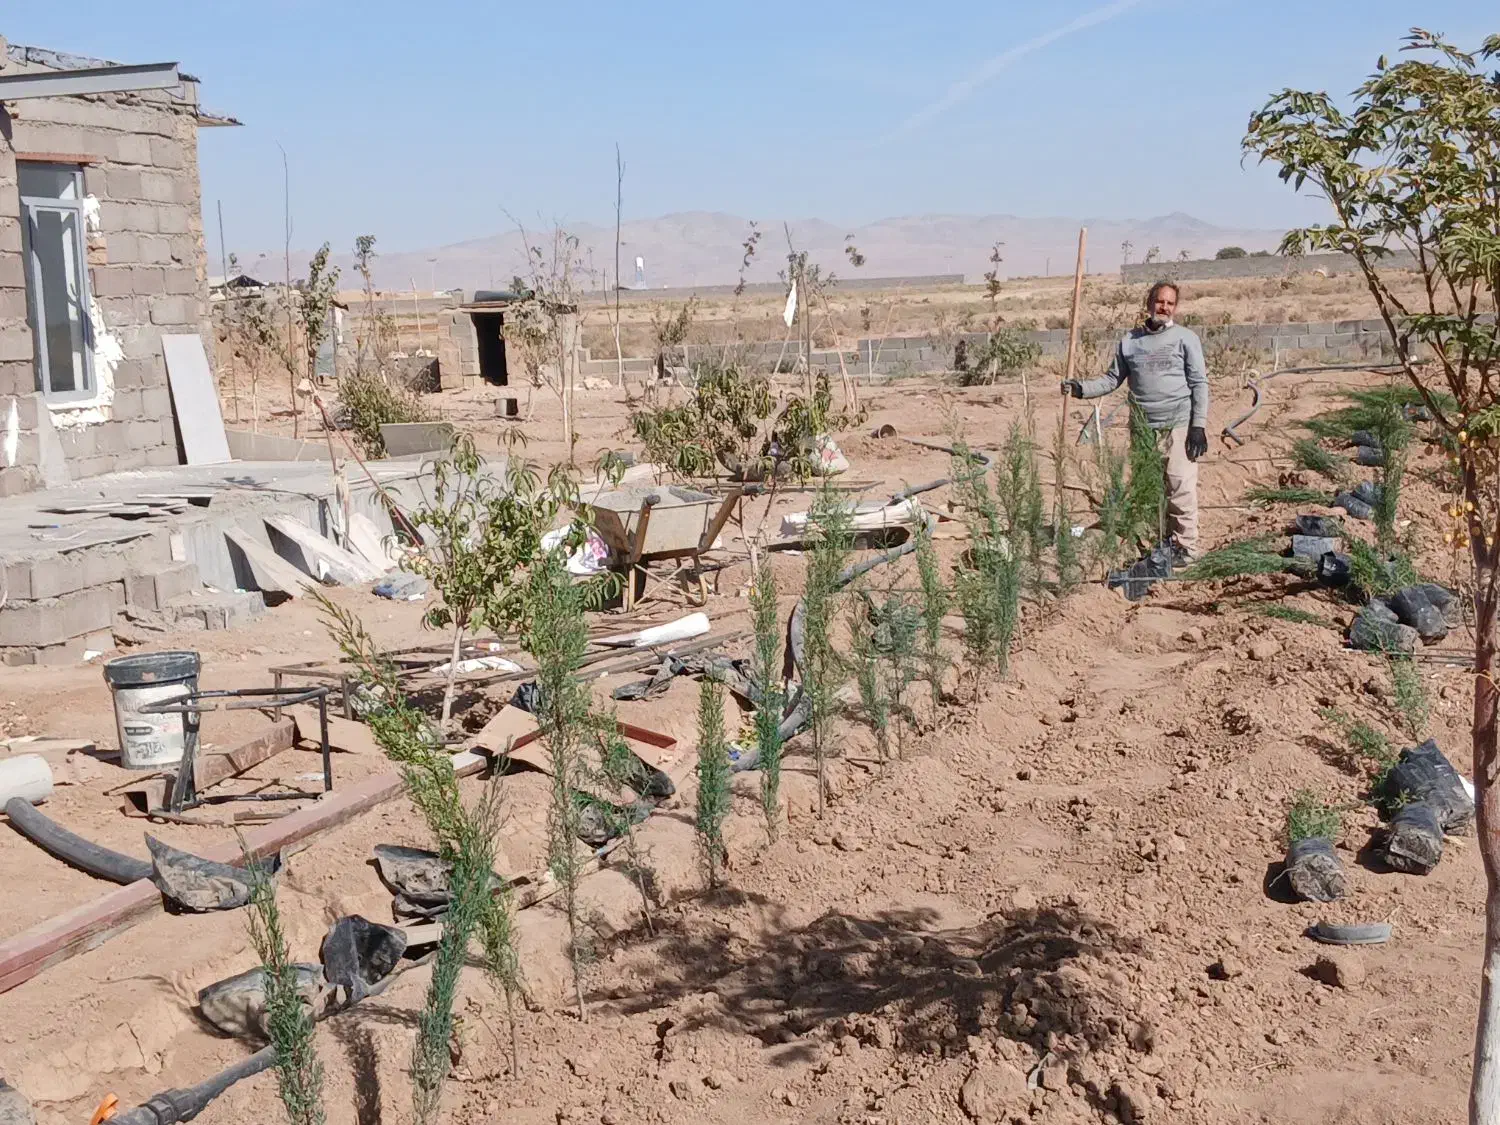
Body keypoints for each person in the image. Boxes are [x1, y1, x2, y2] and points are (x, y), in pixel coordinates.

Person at [1063, 280, 1208, 564]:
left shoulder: (1185, 338)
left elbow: (1199, 383)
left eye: (1169, 303)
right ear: (1149, 303)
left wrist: (1198, 426)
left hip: (1177, 424)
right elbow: (1111, 379)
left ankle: (1187, 549)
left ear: (1175, 307)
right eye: (1159, 301)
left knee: (1180, 487)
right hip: (1142, 428)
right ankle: (1165, 541)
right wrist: (1081, 389)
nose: (1163, 307)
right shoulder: (1130, 342)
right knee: (1152, 489)